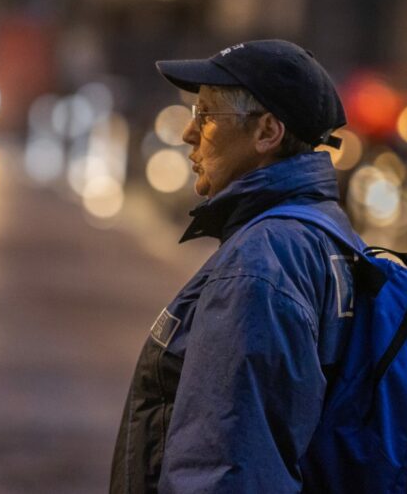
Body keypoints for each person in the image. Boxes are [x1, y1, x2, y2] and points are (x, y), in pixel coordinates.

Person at [110, 39, 356, 493]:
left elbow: (227, 464)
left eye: (205, 116)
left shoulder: (259, 263)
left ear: (267, 132)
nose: (188, 133)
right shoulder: (321, 233)